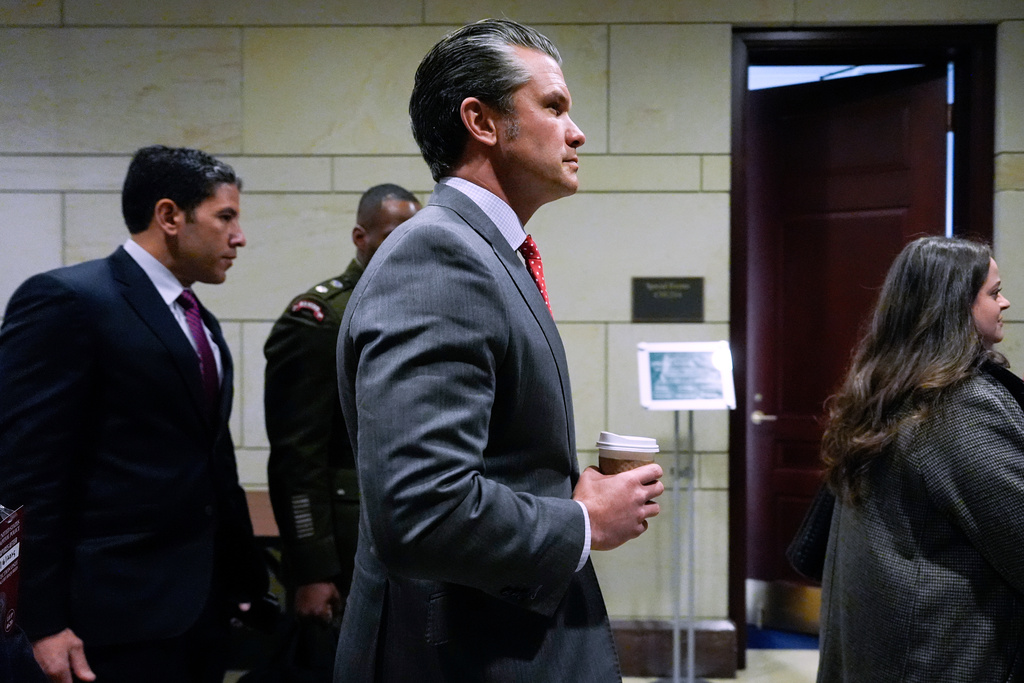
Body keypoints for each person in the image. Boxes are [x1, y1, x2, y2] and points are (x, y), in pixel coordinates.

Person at [334, 18, 665, 682]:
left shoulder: (481, 251)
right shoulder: (439, 257)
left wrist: (561, 491)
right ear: (482, 122)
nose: (577, 133)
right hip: (462, 651)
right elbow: (421, 508)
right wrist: (581, 521)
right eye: (553, 106)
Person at [0, 145, 268, 683]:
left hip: (199, 614)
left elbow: (211, 462)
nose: (239, 237)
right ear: (169, 216)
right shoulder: (67, 300)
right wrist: (41, 621)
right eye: (226, 217)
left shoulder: (202, 322)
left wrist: (245, 585)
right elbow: (26, 476)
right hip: (104, 622)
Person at [817, 236, 1024, 682]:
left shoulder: (884, 386)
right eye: (993, 292)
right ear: (953, 307)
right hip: (942, 655)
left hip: (887, 651)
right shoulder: (959, 407)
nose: (1004, 302)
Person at [262, 184, 420, 672]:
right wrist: (312, 570)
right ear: (360, 236)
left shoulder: (419, 308)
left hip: (409, 540)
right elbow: (297, 457)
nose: (404, 248)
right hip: (347, 547)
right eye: (392, 235)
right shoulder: (321, 319)